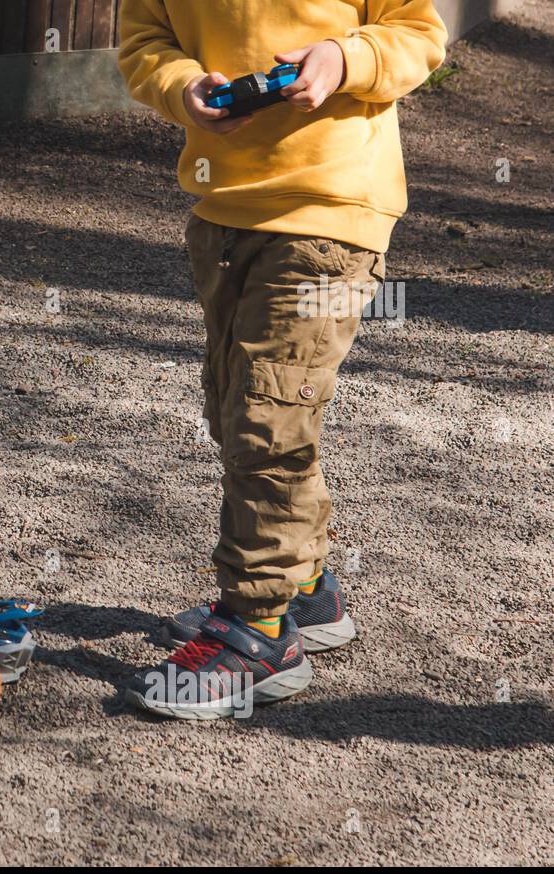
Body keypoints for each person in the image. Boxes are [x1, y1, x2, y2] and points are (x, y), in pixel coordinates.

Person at [117, 1, 447, 718]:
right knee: (236, 409)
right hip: (224, 215)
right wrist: (183, 88)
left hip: (330, 218)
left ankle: (259, 632)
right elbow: (144, 41)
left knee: (267, 421)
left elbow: (420, 33)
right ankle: (307, 587)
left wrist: (343, 58)